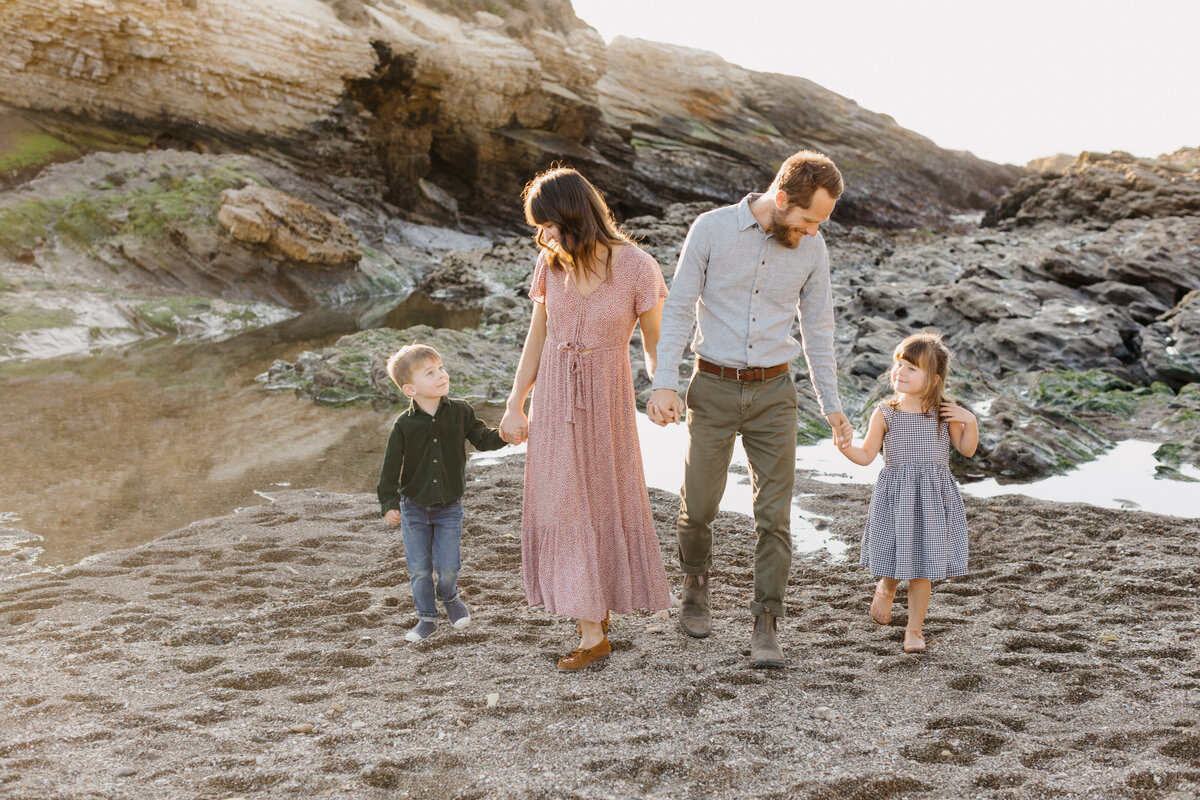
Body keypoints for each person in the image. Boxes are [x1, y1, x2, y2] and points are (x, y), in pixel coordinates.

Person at [646, 149, 854, 668]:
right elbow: (676, 308)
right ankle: (695, 585)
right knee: (698, 506)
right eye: (807, 220)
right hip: (711, 387)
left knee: (775, 516)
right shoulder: (711, 229)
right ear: (781, 199)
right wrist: (664, 383)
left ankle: (767, 621)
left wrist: (832, 407)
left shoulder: (814, 248)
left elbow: (819, 332)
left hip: (774, 395)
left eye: (820, 224)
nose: (811, 232)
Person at [499, 166, 673, 672]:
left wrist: (662, 388)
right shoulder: (549, 264)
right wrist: (516, 403)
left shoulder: (637, 267)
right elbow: (538, 337)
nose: (543, 235)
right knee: (562, 500)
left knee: (599, 497)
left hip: (607, 397)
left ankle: (594, 616)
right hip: (554, 393)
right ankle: (592, 628)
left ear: (573, 213)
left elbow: (655, 340)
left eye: (548, 223)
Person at [836, 331, 979, 653]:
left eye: (912, 368)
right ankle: (886, 587)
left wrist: (970, 420)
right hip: (896, 497)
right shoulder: (885, 412)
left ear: (934, 378)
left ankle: (914, 630)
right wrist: (845, 447)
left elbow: (967, 451)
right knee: (896, 553)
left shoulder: (945, 412)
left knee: (923, 567)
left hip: (933, 499)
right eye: (898, 364)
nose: (900, 371)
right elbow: (866, 456)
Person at [377, 344, 508, 642]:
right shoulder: (404, 425)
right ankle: (426, 618)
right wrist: (388, 502)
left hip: (449, 507)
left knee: (448, 566)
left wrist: (505, 435)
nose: (441, 375)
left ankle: (449, 597)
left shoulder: (461, 411)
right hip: (413, 508)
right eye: (430, 373)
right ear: (410, 389)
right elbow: (389, 469)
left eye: (441, 368)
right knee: (420, 568)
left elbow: (483, 439)